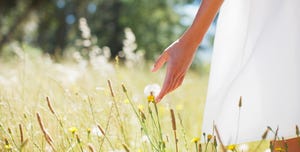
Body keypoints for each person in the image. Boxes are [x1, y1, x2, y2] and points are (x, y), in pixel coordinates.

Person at [152, 0, 300, 151]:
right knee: (289, 129)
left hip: (280, 21)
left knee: (288, 129)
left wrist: (188, 42)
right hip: (280, 20)